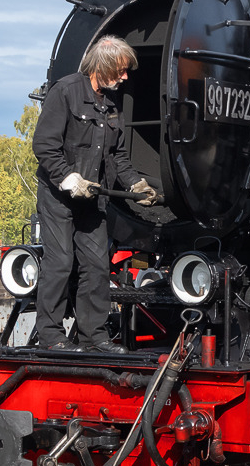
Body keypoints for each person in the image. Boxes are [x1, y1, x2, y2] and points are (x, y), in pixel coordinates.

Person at [31, 36, 159, 352]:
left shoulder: (111, 108)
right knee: (60, 262)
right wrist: (68, 178)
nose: (126, 77)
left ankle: (94, 337)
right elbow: (44, 145)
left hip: (93, 199)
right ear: (102, 66)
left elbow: (117, 156)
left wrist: (136, 185)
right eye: (121, 70)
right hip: (58, 197)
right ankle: (50, 335)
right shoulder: (65, 92)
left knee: (97, 266)